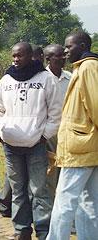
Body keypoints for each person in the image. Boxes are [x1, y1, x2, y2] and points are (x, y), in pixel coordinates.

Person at [0, 42, 60, 240]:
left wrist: (43, 136)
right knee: (18, 190)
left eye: (20, 56)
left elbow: (56, 112)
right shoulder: (6, 80)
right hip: (11, 146)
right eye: (13, 56)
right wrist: (1, 133)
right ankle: (21, 230)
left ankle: (43, 230)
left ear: (31, 56)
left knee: (39, 190)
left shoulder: (46, 79)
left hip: (36, 145)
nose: (15, 59)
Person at [47, 31, 98, 240]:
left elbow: (96, 106)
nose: (65, 51)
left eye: (69, 47)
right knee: (88, 202)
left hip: (80, 147)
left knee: (64, 202)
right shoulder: (83, 67)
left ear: (83, 45)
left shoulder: (88, 68)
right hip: (86, 147)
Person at [43, 44, 72, 198]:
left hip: (67, 131)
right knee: (50, 173)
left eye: (64, 55)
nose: (63, 58)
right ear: (48, 59)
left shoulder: (70, 77)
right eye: (59, 56)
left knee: (65, 172)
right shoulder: (42, 79)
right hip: (49, 133)